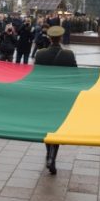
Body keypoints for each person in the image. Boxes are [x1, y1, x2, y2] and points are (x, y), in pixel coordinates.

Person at [34, 25, 77, 174]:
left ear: (49, 38)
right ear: (60, 38)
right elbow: (74, 75)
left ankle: (48, 153)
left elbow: (36, 76)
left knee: (47, 126)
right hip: (62, 96)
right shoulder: (69, 55)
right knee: (57, 126)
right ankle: (52, 155)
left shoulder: (40, 54)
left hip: (45, 96)